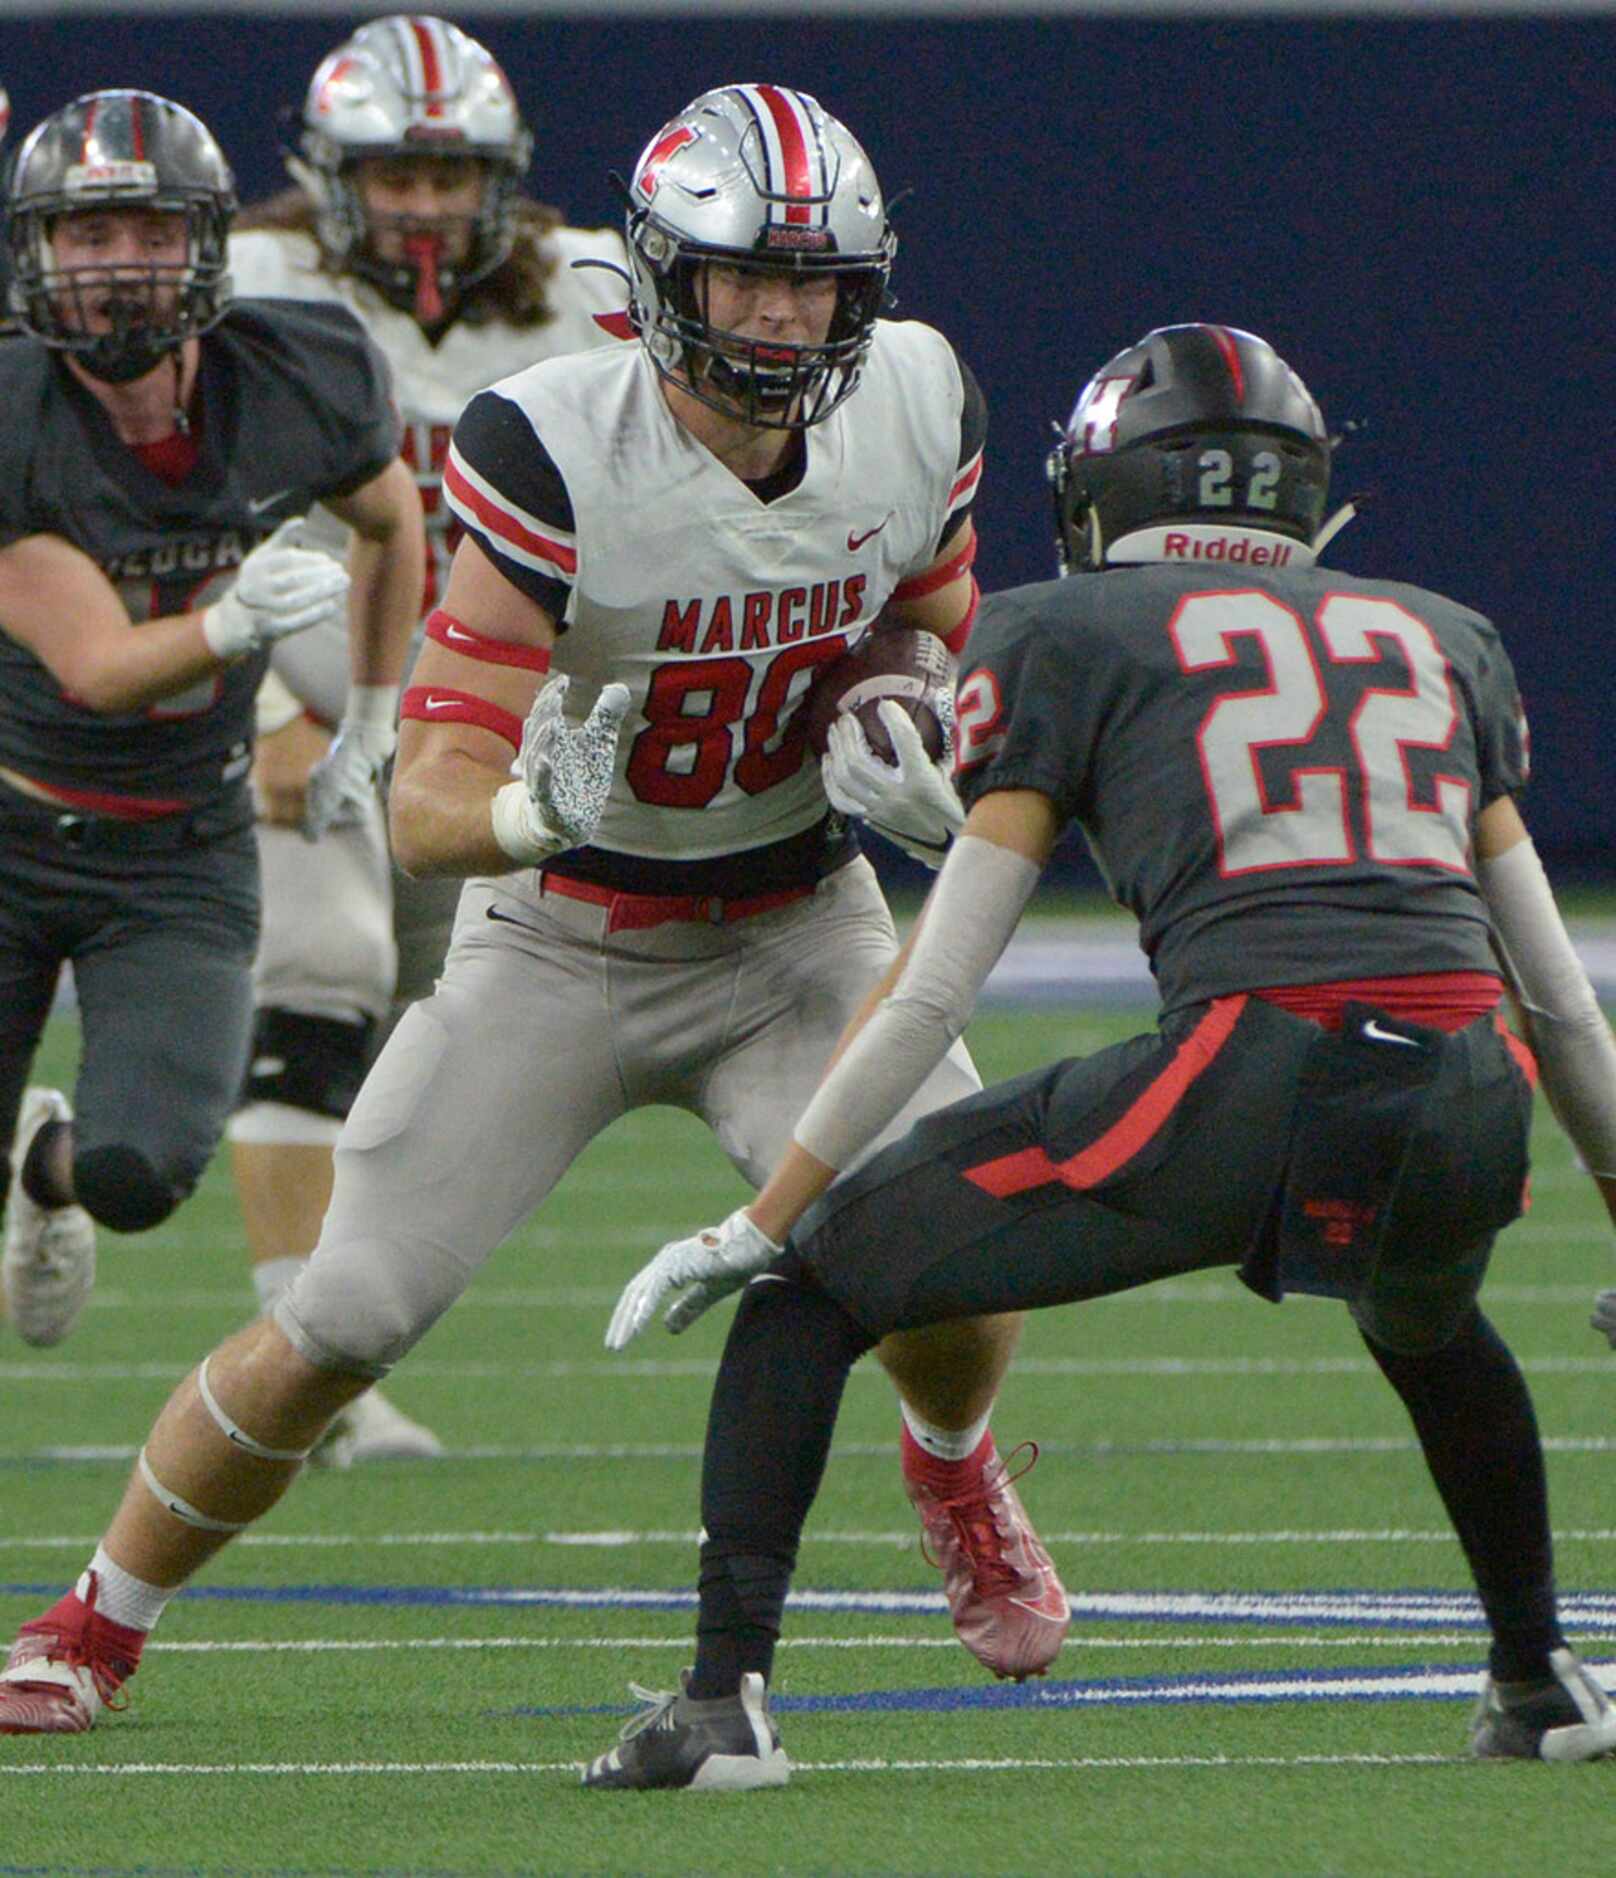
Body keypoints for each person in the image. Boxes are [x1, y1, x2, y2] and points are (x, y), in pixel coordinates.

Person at [0, 82, 1067, 1737]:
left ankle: (955, 1467)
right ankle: (96, 1614)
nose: (784, 314)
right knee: (341, 1314)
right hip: (566, 934)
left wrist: (909, 707)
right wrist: (529, 808)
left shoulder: (917, 396)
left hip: (797, 924)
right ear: (662, 279)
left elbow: (931, 610)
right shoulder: (556, 443)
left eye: (815, 280)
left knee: (947, 1244)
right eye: (745, 279)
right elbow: (424, 814)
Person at [578, 323, 1616, 1790]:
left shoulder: (1064, 633)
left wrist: (765, 1209)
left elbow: (938, 986)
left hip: (1250, 1067)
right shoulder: (1442, 635)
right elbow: (1561, 999)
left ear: (1106, 494)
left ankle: (719, 1705)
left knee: (812, 1284)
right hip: (1464, 1079)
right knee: (1425, 1320)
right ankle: (1540, 1677)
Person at [223, 14, 629, 1465]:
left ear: (498, 175)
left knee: (424, 1025)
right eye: (392, 175)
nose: (419, 205)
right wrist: (263, 698)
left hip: (476, 723)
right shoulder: (254, 278)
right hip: (309, 691)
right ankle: (308, 1361)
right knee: (320, 978)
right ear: (329, 173)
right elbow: (171, 481)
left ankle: (120, 1136)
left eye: (447, 175)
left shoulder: (591, 288)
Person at [0, 90, 421, 1352]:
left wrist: (374, 721)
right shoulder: (14, 414)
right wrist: (235, 627)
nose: (114, 267)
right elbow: (96, 665)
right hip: (9, 825)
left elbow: (392, 522)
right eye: (84, 236)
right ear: (35, 250)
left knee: (140, 1174)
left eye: (140, 232)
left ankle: (48, 1176)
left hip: (177, 850)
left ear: (201, 242)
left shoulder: (296, 368)